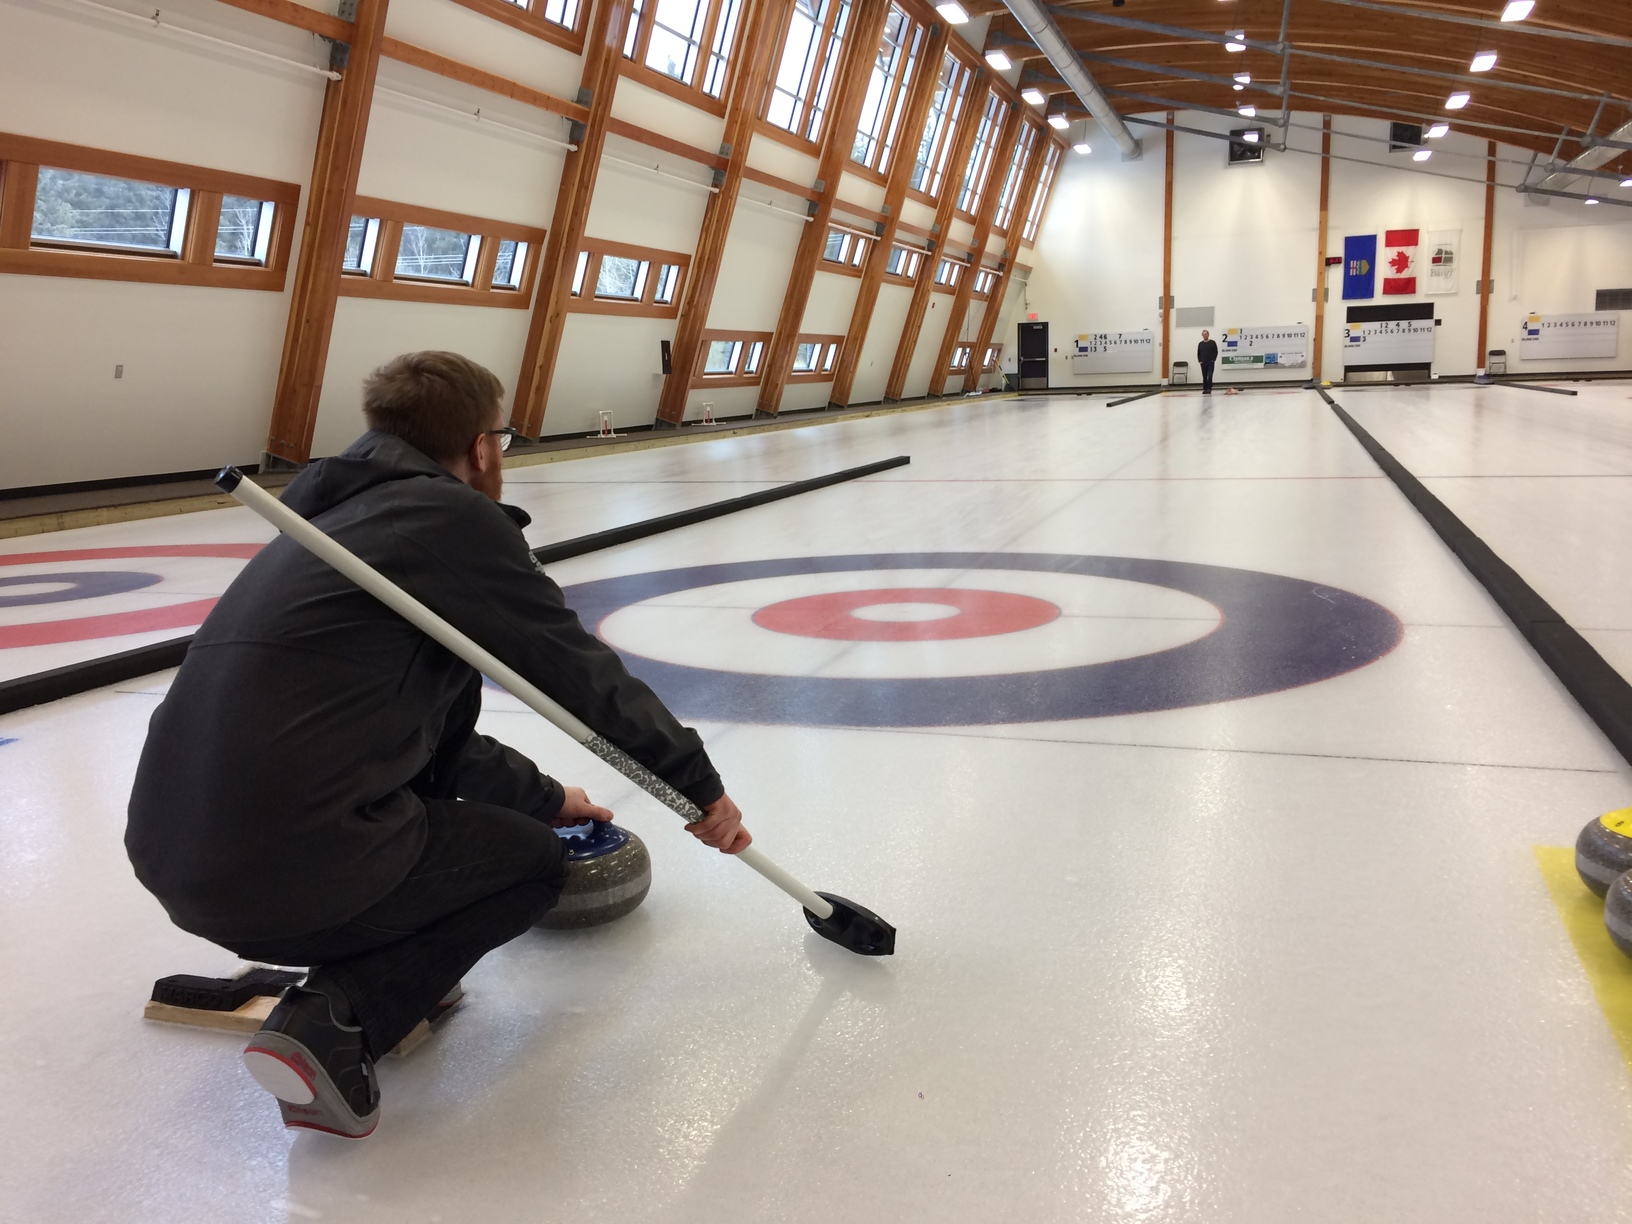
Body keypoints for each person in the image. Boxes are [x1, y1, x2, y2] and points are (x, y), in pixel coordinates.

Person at [126, 351, 750, 1140]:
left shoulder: (326, 529)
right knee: (530, 863)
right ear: (484, 447)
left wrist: (551, 796)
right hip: (288, 868)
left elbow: (434, 748)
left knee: (466, 817)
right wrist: (697, 787)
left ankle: (390, 960)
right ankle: (339, 1016)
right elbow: (580, 675)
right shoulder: (453, 523)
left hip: (174, 858)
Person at [1197, 329, 1218, 394]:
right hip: (1203, 362)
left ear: (1208, 335)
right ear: (1202, 335)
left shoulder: (1212, 342)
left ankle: (1209, 388)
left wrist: (1213, 359)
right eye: (1203, 334)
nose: (1205, 335)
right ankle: (1205, 388)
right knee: (1204, 376)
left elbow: (1216, 351)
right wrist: (1200, 360)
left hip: (1210, 362)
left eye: (1206, 334)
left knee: (1210, 375)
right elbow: (1198, 353)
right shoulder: (1200, 344)